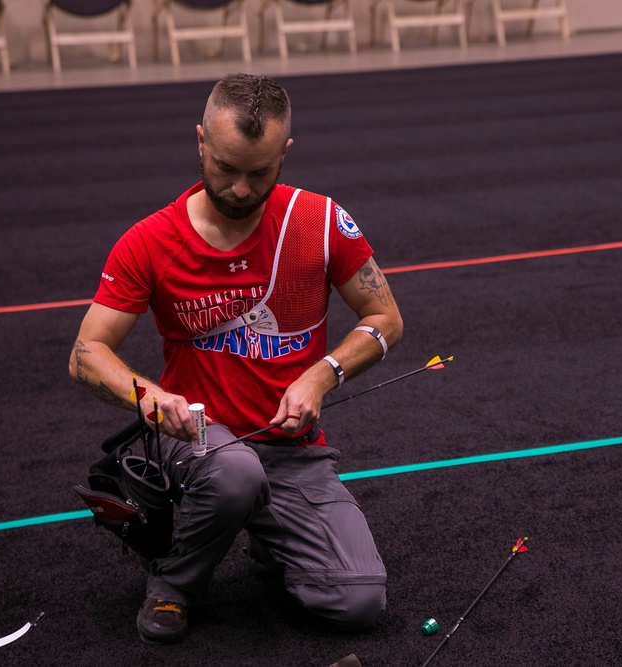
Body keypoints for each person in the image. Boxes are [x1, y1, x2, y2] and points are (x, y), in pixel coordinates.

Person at [68, 72, 403, 644]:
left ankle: (271, 540)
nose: (242, 189)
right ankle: (174, 584)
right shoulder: (149, 241)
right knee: (235, 474)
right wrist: (151, 398)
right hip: (197, 442)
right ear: (200, 142)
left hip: (292, 453)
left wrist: (323, 376)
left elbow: (385, 320)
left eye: (260, 171)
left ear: (285, 154)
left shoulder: (319, 222)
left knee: (358, 603)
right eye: (226, 168)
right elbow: (85, 353)